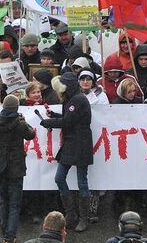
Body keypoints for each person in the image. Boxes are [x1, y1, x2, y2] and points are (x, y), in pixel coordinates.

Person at [40, 71, 93, 233]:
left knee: (81, 181)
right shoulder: (74, 98)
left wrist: (49, 121)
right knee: (60, 178)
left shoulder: (76, 99)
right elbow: (69, 117)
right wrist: (54, 116)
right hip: (72, 143)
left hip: (80, 143)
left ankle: (82, 217)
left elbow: (68, 121)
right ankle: (72, 214)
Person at [0, 94, 36, 242]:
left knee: (3, 200)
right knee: (14, 203)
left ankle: (4, 233)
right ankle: (10, 236)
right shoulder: (19, 123)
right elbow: (31, 135)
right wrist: (23, 121)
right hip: (15, 166)